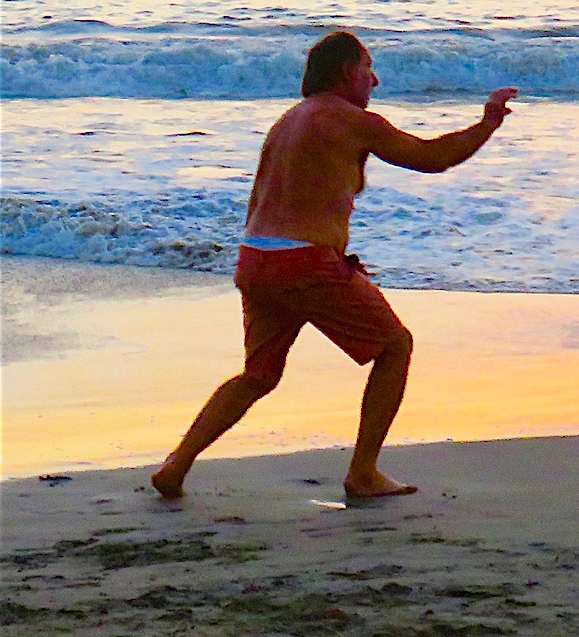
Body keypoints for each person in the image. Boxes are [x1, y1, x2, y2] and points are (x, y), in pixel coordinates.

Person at [151, 31, 516, 500]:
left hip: (256, 259)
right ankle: (363, 472)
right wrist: (488, 123)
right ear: (346, 72)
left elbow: (263, 200)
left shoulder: (288, 120)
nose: (375, 80)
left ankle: (177, 464)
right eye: (368, 69)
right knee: (395, 346)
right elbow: (432, 158)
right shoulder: (350, 120)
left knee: (258, 375)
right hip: (304, 263)